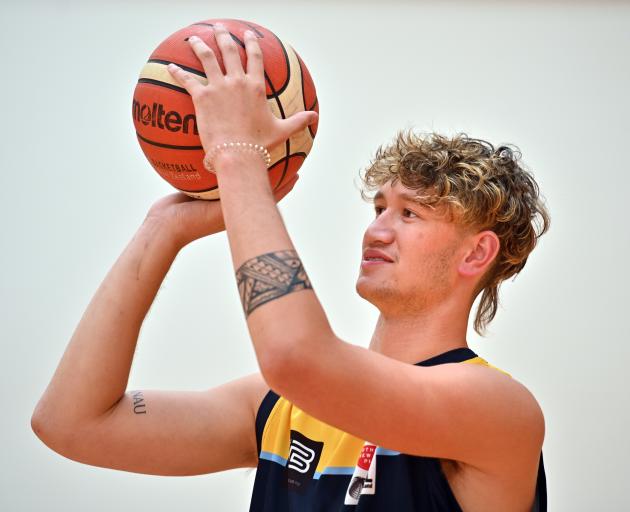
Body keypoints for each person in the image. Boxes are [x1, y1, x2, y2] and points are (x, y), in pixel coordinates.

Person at [31, 24, 549, 511]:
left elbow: (297, 356)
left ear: (476, 254)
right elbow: (70, 422)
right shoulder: (279, 403)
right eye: (378, 209)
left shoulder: (497, 408)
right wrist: (163, 229)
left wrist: (238, 157)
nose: (377, 230)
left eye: (410, 213)